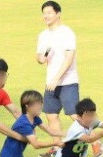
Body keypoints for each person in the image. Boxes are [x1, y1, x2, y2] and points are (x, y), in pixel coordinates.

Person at [0, 90, 61, 157]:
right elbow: (35, 144)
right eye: (37, 104)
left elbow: (51, 131)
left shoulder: (35, 118)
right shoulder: (24, 123)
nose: (40, 106)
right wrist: (56, 142)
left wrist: (71, 134)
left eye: (41, 103)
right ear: (27, 106)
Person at [36, 1, 80, 149]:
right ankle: (57, 146)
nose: (46, 16)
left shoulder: (66, 33)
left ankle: (96, 143)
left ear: (58, 14)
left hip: (67, 81)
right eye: (44, 13)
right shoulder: (43, 35)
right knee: (51, 115)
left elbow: (69, 59)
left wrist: (56, 78)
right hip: (51, 83)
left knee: (75, 115)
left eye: (49, 12)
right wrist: (41, 58)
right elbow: (40, 57)